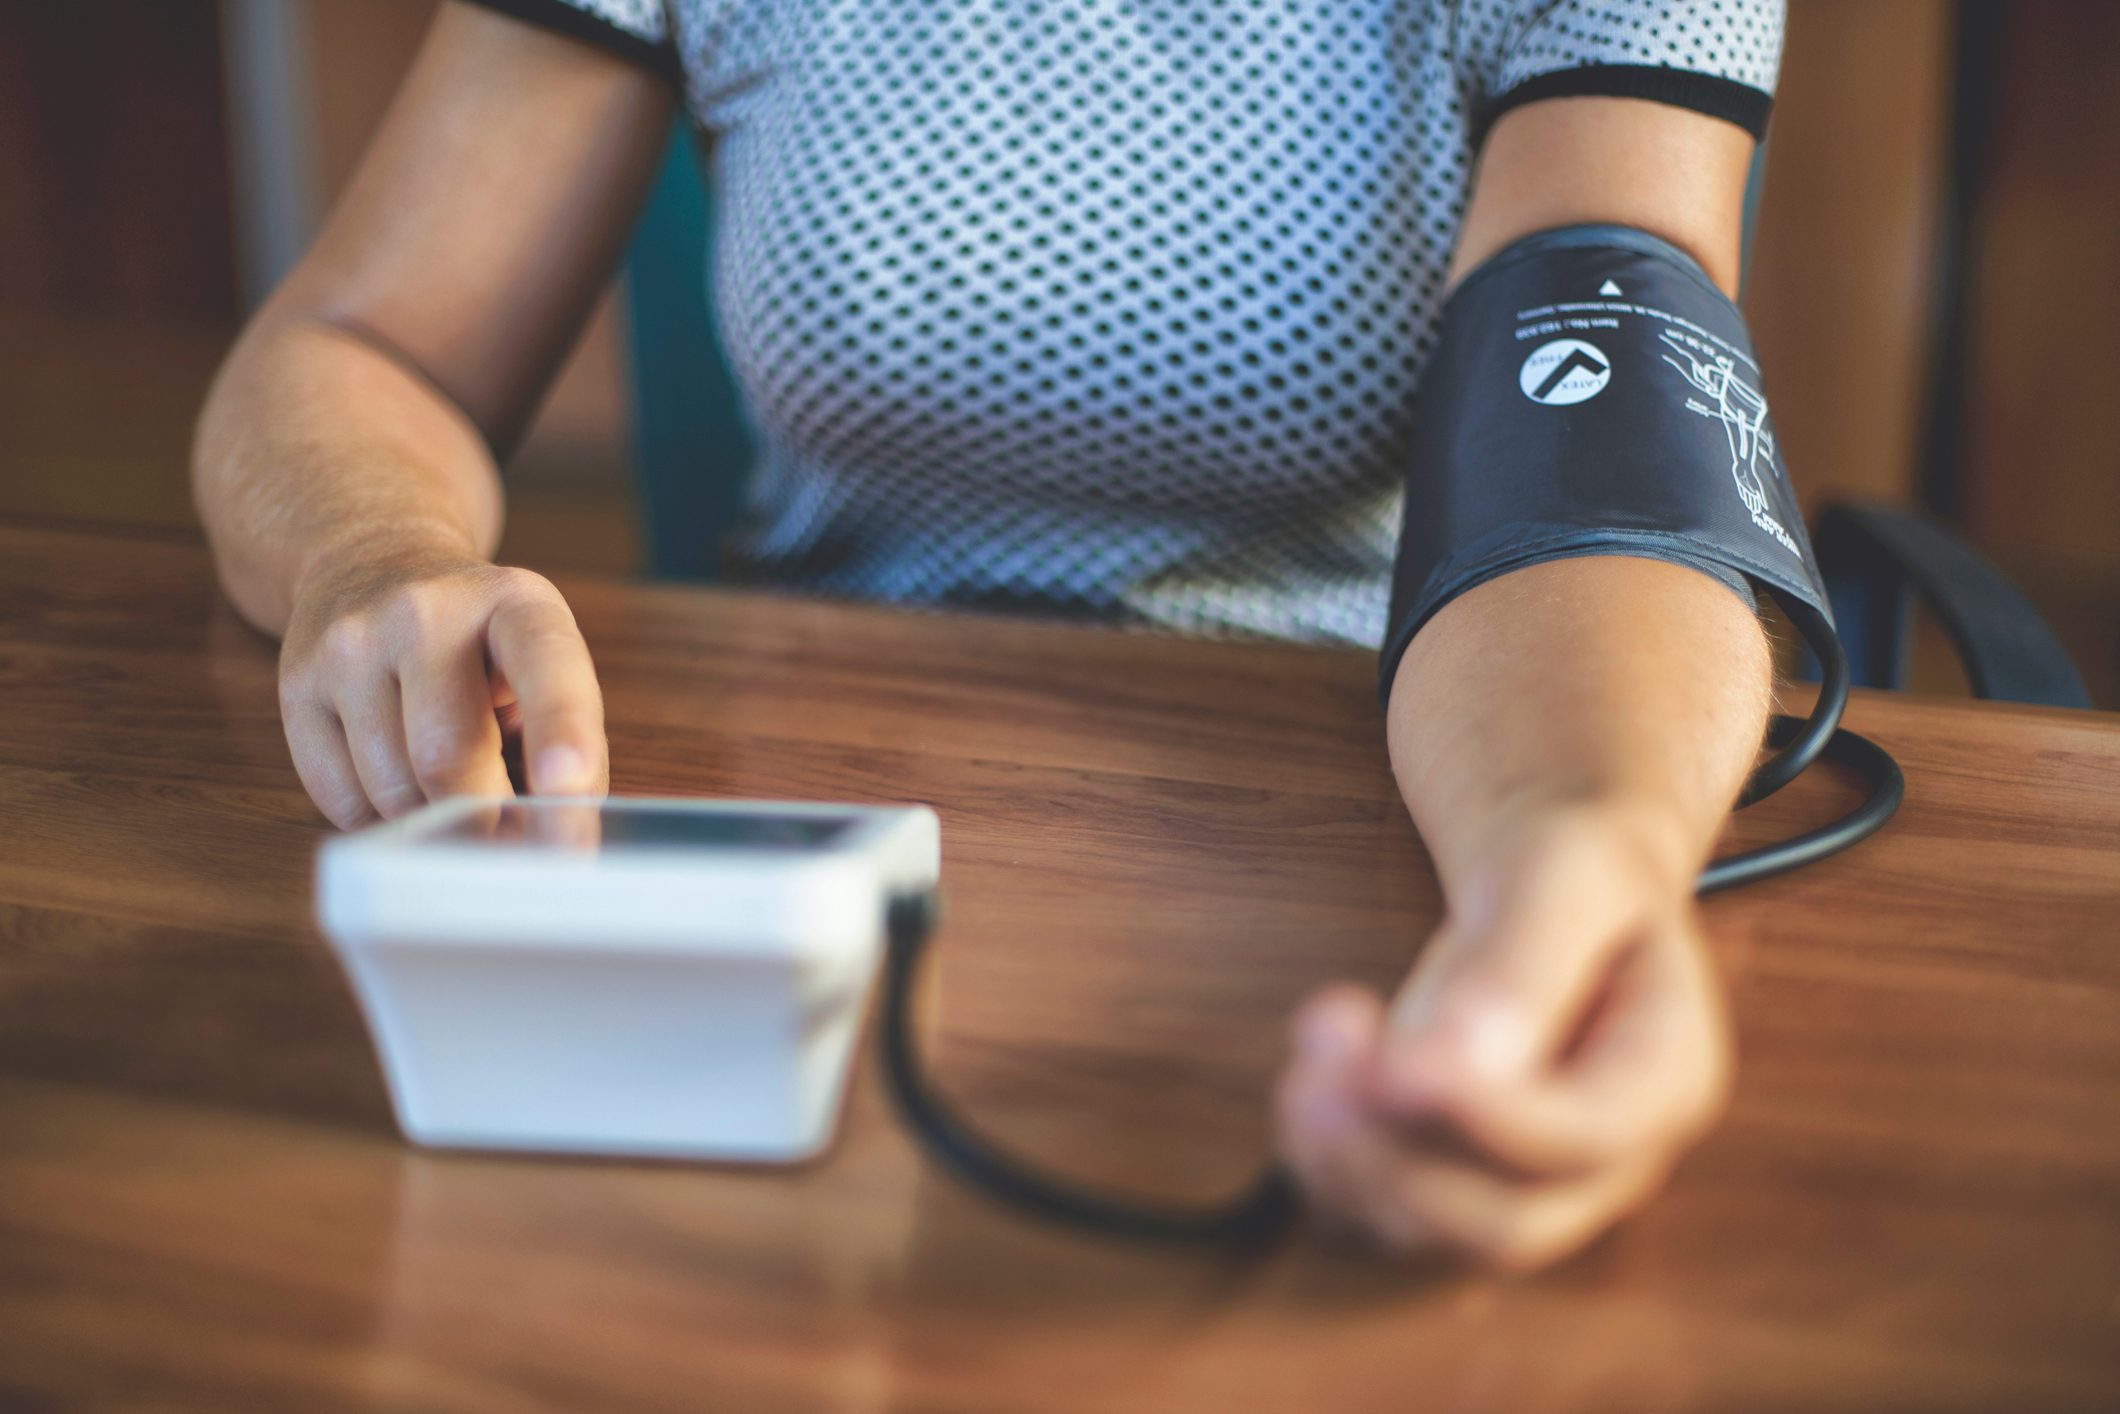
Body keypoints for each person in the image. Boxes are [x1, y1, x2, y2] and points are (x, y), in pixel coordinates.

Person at [193, 0, 1788, 1271]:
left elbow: (1589, 457)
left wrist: (1582, 844)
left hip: (1357, 828)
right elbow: (362, 344)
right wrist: (372, 545)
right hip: (798, 877)